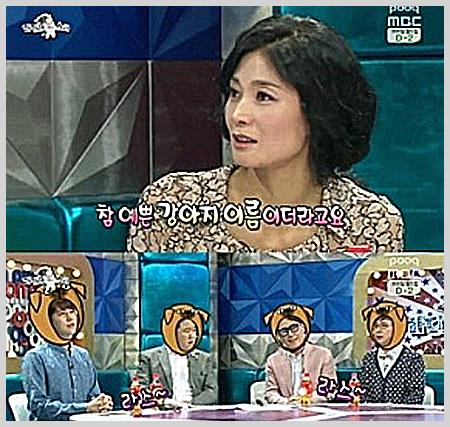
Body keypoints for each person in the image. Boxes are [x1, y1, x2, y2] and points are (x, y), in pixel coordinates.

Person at [127, 14, 404, 253]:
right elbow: (135, 299)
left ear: (318, 111)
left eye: (264, 96)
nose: (238, 114)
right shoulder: (171, 205)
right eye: (235, 93)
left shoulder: (369, 223)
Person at [22, 298, 113, 420]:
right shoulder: (35, 357)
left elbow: (94, 395)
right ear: (50, 322)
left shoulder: (83, 355)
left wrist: (101, 403)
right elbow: (39, 407)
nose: (70, 318)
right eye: (62, 314)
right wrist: (85, 408)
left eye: (72, 312)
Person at [135, 303, 217, 406]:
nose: (192, 336)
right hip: (163, 410)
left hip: (195, 409)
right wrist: (165, 402)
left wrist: (190, 405)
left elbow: (212, 392)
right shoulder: (149, 358)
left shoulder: (205, 359)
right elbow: (140, 389)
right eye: (186, 331)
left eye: (194, 331)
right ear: (172, 332)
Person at [263, 303, 337, 404]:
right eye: (283, 331)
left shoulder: (324, 355)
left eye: (294, 328)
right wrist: (286, 402)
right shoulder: (273, 361)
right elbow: (271, 393)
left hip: (315, 409)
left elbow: (329, 390)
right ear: (278, 337)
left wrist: (306, 400)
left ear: (304, 328)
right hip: (286, 410)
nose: (290, 334)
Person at [360, 300, 425, 404]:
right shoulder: (369, 358)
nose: (378, 330)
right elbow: (364, 392)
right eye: (375, 326)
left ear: (398, 327)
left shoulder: (413, 359)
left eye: (384, 326)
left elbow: (415, 396)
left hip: (403, 413)